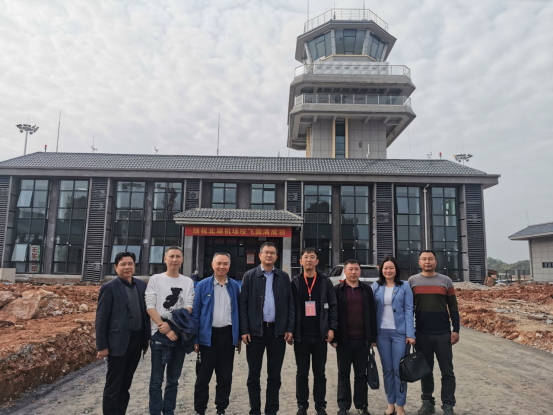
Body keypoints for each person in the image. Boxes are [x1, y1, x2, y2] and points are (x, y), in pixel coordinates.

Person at [239, 241, 294, 415]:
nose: (269, 255)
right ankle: (254, 410)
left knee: (274, 376)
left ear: (276, 257)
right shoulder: (249, 276)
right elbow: (243, 305)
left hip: (277, 332)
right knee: (253, 376)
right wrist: (244, 330)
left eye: (272, 253)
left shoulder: (283, 277)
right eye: (266, 252)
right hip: (255, 333)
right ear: (260, 255)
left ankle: (271, 410)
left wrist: (289, 328)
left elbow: (290, 304)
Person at [95, 251, 151, 415]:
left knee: (126, 384)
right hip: (118, 343)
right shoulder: (109, 288)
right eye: (123, 264)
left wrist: (146, 338)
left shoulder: (141, 285)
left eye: (130, 264)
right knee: (113, 385)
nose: (127, 267)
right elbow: (101, 319)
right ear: (116, 267)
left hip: (137, 341)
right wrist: (102, 346)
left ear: (134, 266)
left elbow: (145, 313)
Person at [408, 250, 460, 415]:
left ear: (436, 262)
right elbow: (408, 309)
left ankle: (448, 405)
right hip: (422, 333)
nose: (427, 262)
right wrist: (409, 332)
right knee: (425, 370)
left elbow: (453, 307)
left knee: (447, 371)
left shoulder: (446, 281)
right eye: (424, 259)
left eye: (430, 259)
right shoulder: (412, 281)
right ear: (419, 262)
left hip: (443, 333)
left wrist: (456, 329)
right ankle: (427, 402)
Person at [145, 246, 195, 415]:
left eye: (178, 256)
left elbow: (188, 308)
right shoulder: (155, 279)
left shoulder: (187, 282)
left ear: (182, 260)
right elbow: (150, 306)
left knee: (173, 380)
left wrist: (172, 326)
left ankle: (169, 411)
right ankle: (155, 411)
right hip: (159, 335)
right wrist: (164, 328)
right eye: (171, 256)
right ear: (165, 259)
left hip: (179, 336)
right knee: (156, 381)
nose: (175, 259)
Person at [289, 248, 338, 415]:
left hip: (320, 335)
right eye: (305, 257)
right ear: (301, 261)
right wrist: (290, 330)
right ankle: (302, 406)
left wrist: (331, 328)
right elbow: (290, 308)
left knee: (320, 373)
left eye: (312, 257)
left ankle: (320, 406)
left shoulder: (325, 281)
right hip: (301, 335)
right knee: (302, 373)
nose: (308, 260)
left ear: (317, 261)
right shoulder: (295, 282)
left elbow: (333, 306)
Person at [192, 252, 242, 415]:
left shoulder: (234, 286)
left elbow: (238, 312)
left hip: (227, 336)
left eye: (225, 263)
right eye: (218, 263)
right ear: (212, 265)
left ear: (229, 266)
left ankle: (221, 408)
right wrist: (195, 338)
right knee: (202, 377)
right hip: (207, 337)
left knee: (225, 376)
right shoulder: (202, 285)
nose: (222, 266)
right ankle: (200, 409)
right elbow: (196, 313)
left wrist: (237, 336)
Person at [332, 258, 377, 415]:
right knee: (343, 373)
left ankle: (361, 405)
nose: (353, 272)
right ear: (344, 271)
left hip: (362, 340)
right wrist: (334, 337)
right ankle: (343, 406)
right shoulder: (337, 290)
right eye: (350, 269)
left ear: (360, 271)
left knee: (361, 374)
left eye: (356, 269)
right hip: (343, 340)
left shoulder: (367, 290)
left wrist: (372, 337)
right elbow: (333, 314)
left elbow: (372, 313)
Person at [372, 256, 416, 415]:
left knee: (399, 370)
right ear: (381, 270)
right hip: (381, 333)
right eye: (385, 268)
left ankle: (400, 406)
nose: (388, 271)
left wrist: (410, 333)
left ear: (396, 269)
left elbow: (409, 310)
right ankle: (390, 404)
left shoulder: (404, 286)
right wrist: (371, 336)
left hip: (400, 333)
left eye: (391, 268)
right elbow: (371, 311)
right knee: (387, 370)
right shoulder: (376, 286)